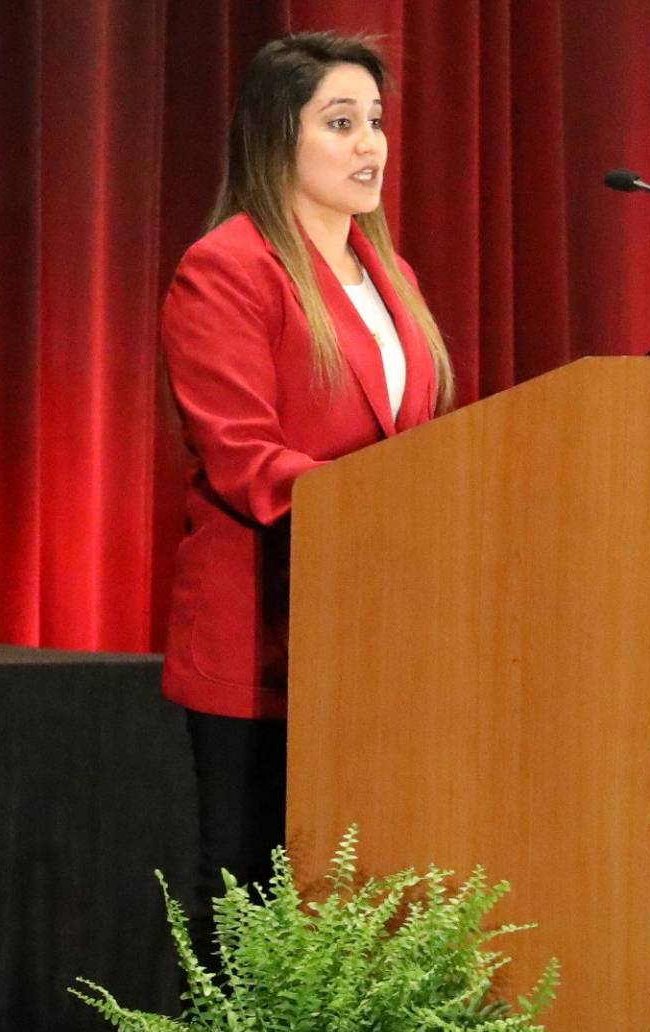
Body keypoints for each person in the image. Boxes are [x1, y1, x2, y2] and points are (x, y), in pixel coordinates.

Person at [160, 32, 452, 903]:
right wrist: (391, 511)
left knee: (361, 900)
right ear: (273, 137)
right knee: (253, 909)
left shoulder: (389, 273)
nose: (370, 145)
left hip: (381, 640)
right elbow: (242, 456)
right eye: (339, 122)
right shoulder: (227, 270)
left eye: (374, 121)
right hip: (267, 640)